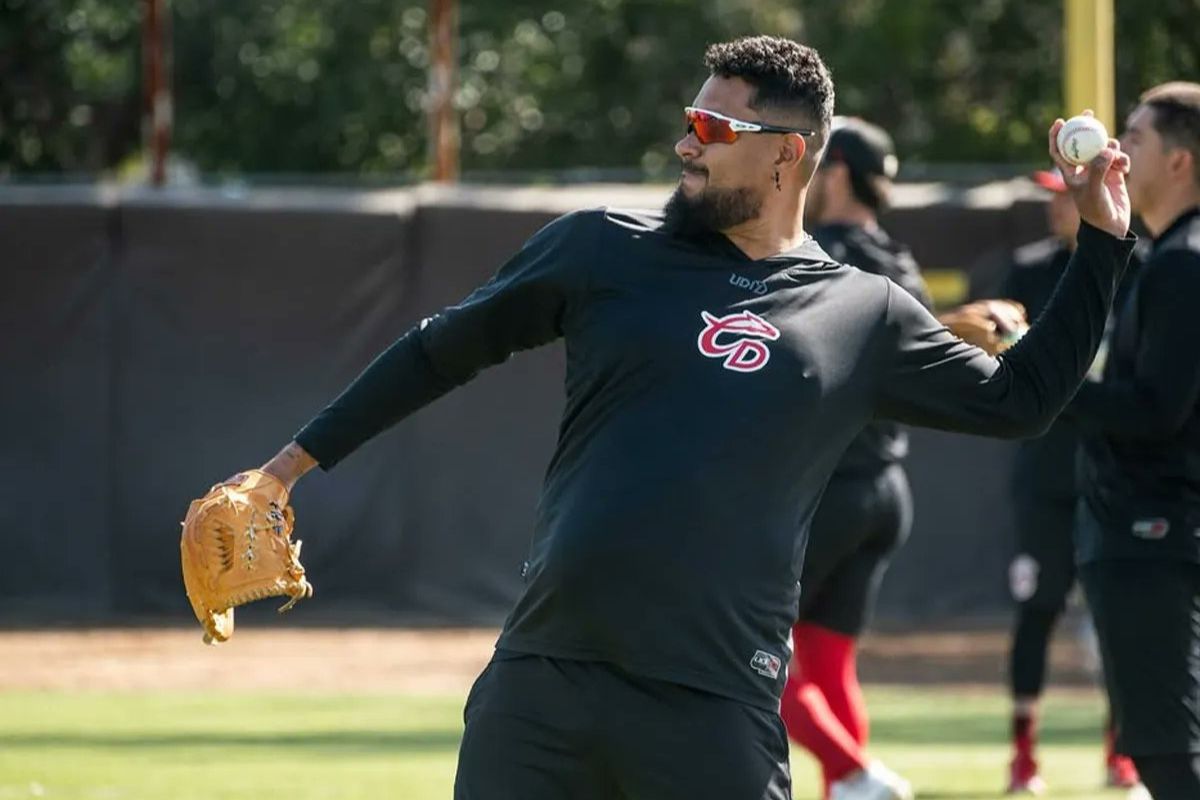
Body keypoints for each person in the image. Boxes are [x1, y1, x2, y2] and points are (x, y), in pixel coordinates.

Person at [244, 37, 1133, 800]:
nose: (685, 144)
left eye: (712, 130)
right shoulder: (600, 248)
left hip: (714, 705)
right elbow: (439, 350)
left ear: (787, 154)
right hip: (543, 684)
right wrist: (282, 471)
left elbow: (1023, 403)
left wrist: (1100, 244)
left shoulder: (864, 312)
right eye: (688, 122)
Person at [778, 117, 926, 800]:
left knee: (743, 652)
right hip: (886, 488)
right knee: (831, 662)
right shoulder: (899, 260)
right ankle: (852, 787)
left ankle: (856, 775)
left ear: (831, 173)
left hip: (826, 490)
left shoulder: (817, 254)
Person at [1066, 81, 1200, 800]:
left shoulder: (1185, 261)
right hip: (1159, 528)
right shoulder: (1168, 255)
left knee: (1165, 751)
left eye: (1137, 137)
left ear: (1180, 162)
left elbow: (1154, 411)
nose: (1120, 147)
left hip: (1152, 530)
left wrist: (1037, 376)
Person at [999, 167, 1140, 794]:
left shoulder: (1140, 268)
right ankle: (1024, 757)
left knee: (1123, 616)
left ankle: (1122, 753)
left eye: (1067, 193)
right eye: (1053, 196)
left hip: (1114, 473)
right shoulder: (1028, 271)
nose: (1059, 206)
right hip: (1047, 477)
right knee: (1038, 611)